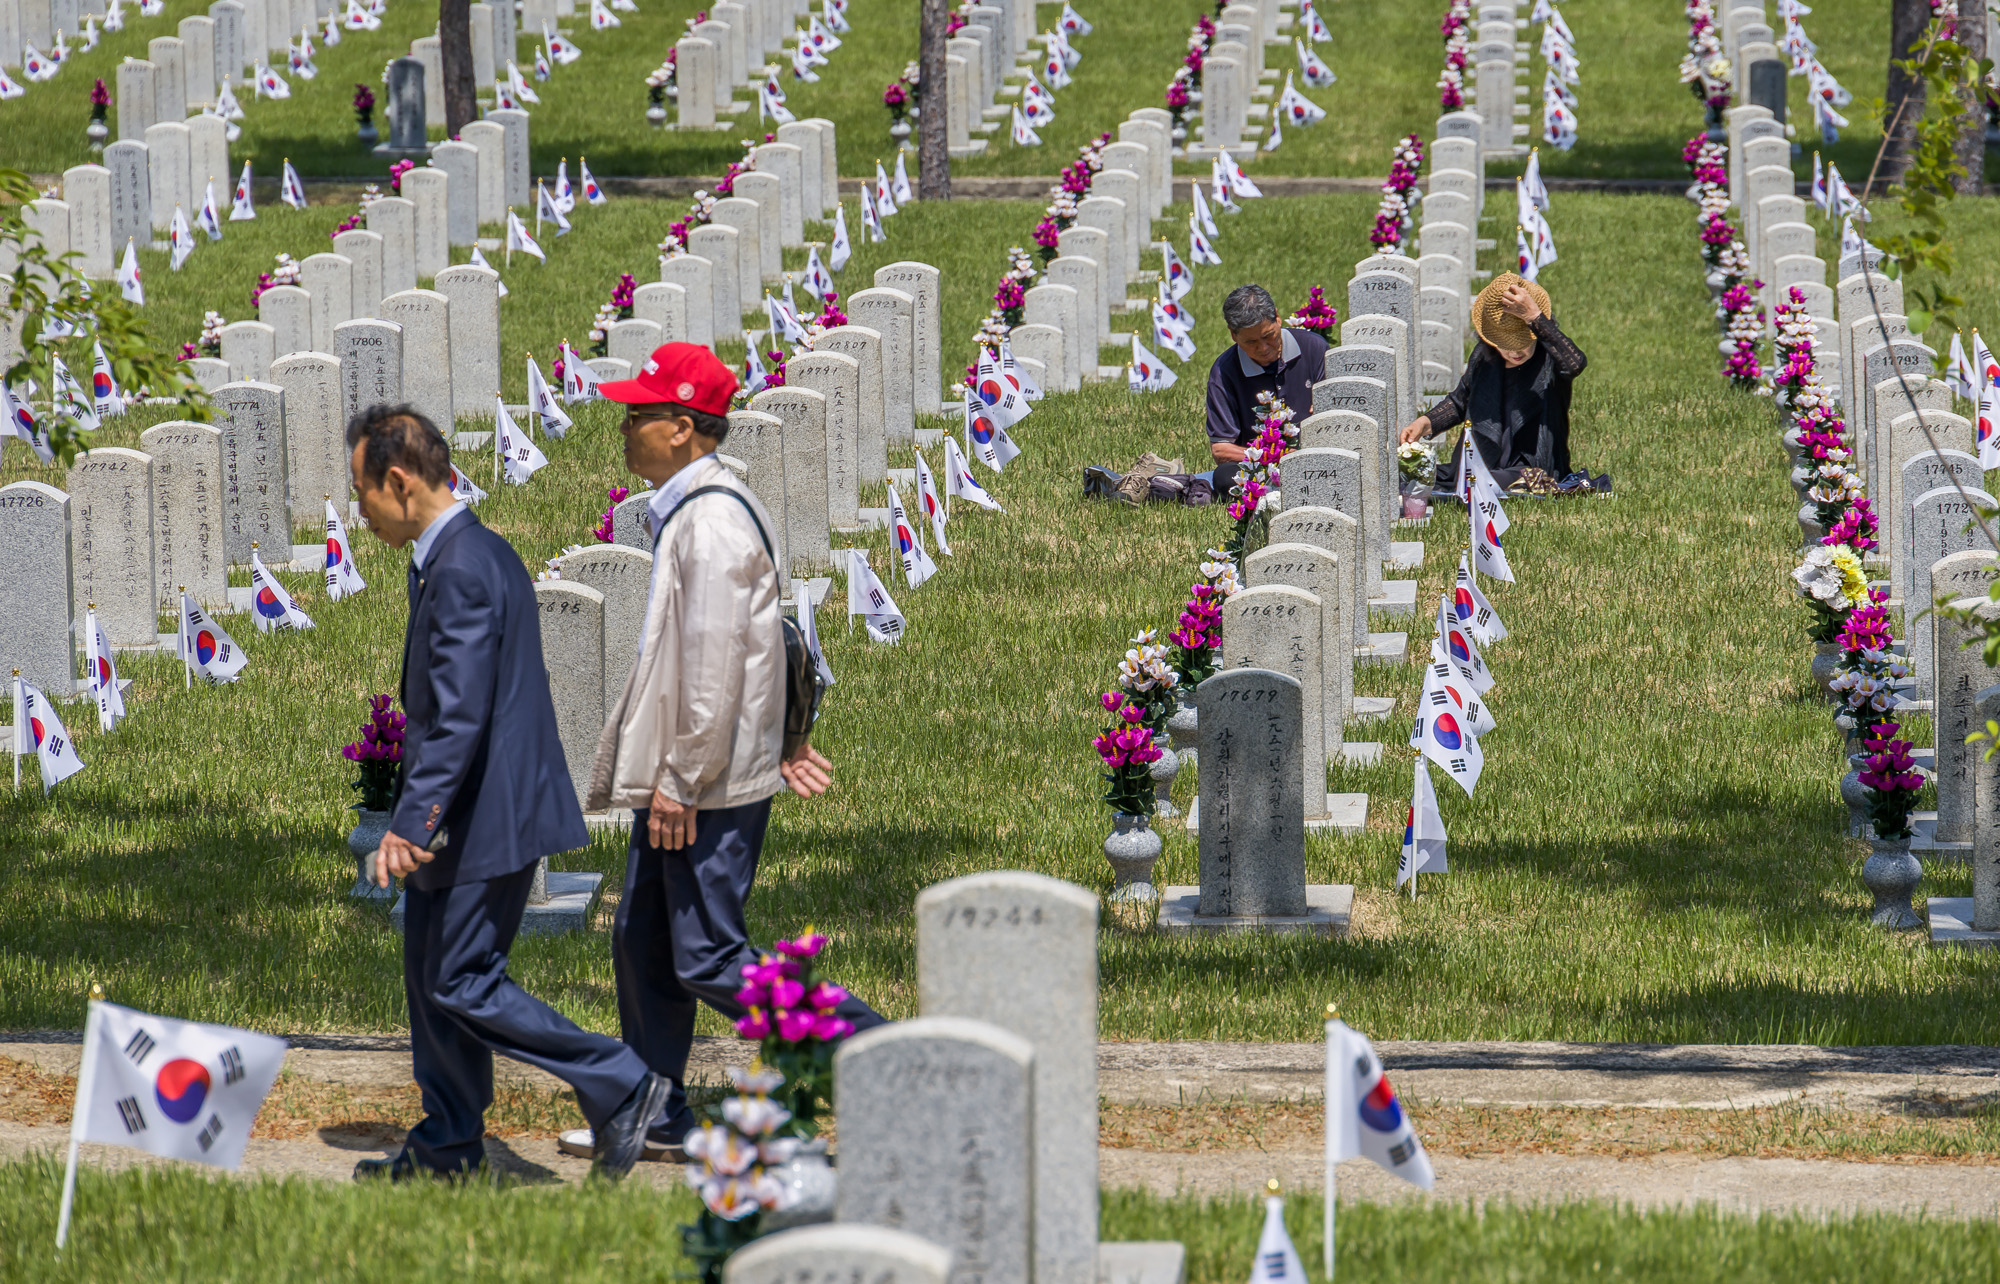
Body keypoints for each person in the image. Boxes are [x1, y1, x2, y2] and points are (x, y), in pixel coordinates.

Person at [555, 343, 887, 1163]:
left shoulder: (709, 521)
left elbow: (709, 668)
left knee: (706, 955)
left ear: (681, 426)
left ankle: (893, 1064)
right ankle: (652, 1110)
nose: (625, 425)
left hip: (700, 779)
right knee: (643, 939)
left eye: (639, 413)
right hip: (696, 770)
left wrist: (678, 781)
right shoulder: (699, 506)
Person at [347, 404, 671, 1184]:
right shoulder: (471, 549)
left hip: (478, 815)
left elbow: (457, 716)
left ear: (399, 480)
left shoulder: (459, 566)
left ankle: (622, 1082)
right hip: (475, 809)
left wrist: (412, 821)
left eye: (362, 494)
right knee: (434, 980)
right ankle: (448, 1147)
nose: (361, 515)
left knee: (462, 980)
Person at [1397, 274, 1589, 490]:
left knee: (1478, 484)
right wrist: (1424, 423)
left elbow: (1575, 364)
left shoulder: (1550, 358)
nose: (1515, 351)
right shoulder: (1484, 356)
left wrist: (1535, 316)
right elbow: (1459, 401)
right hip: (1485, 460)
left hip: (1531, 468)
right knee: (1407, 475)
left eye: (1521, 341)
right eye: (1504, 343)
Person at [1203, 283, 1330, 497]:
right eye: (1250, 342)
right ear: (1233, 335)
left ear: (1278, 318)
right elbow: (1221, 449)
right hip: (1259, 466)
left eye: (1268, 335)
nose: (1263, 348)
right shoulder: (1224, 371)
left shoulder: (1315, 348)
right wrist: (1273, 457)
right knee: (1225, 477)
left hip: (1316, 455)